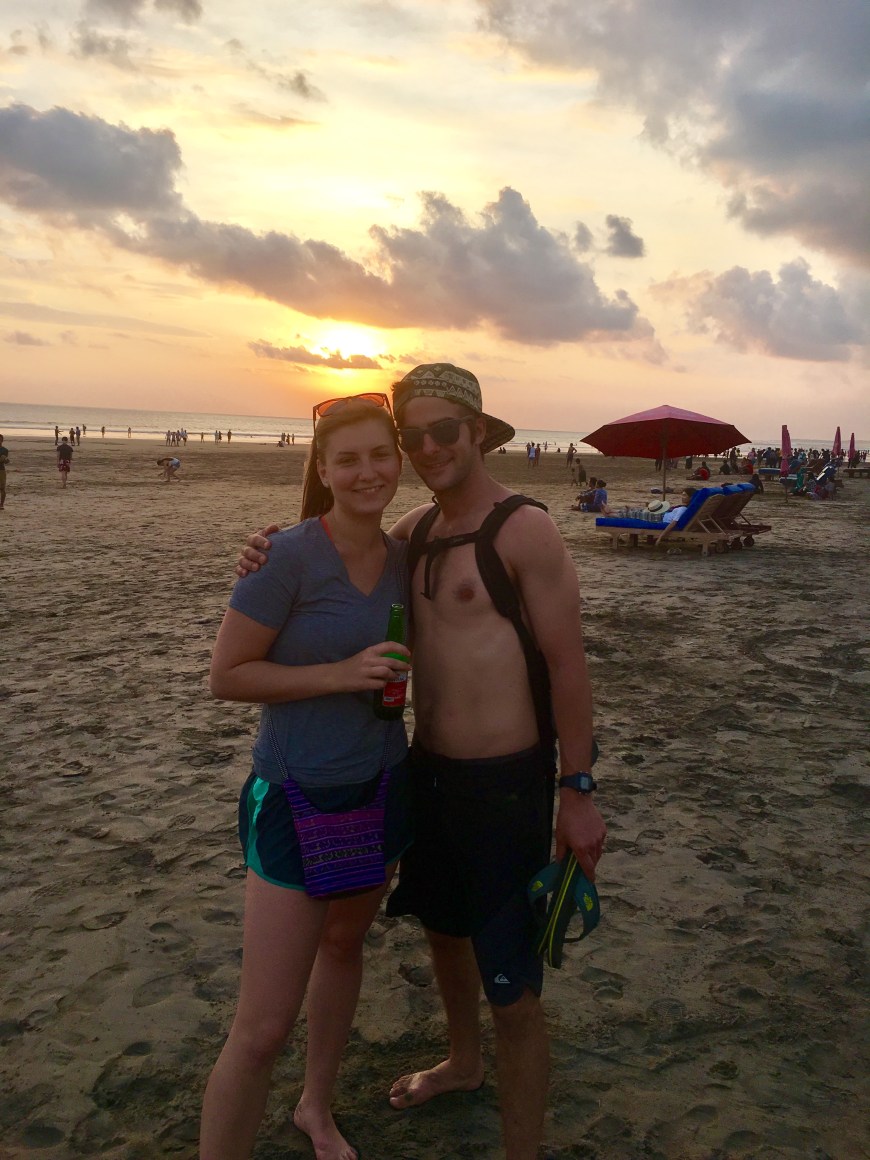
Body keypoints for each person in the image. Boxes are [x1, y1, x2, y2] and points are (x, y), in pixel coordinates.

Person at [238, 364, 605, 1160]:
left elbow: (568, 666)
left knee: (513, 988)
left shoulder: (524, 530)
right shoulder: (417, 531)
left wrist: (577, 789)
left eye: (446, 431)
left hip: (506, 786)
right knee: (444, 932)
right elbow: (340, 544)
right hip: (425, 775)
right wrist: (268, 548)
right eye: (416, 436)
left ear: (478, 433)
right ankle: (464, 1063)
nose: (430, 447)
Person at [200, 394, 413, 1160]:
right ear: (322, 468)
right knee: (261, 1030)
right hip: (295, 798)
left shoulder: (405, 557)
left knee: (345, 946)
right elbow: (226, 676)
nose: (367, 472)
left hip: (380, 786)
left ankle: (315, 1106)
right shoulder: (285, 555)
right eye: (347, 459)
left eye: (380, 455)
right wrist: (339, 674)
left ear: (399, 460)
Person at [0, 434, 8, 509]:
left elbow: (5, 460)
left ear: (2, 440)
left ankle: (1, 504)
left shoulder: (4, 450)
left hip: (1, 470)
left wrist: (6, 460)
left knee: (2, 488)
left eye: (0, 440)